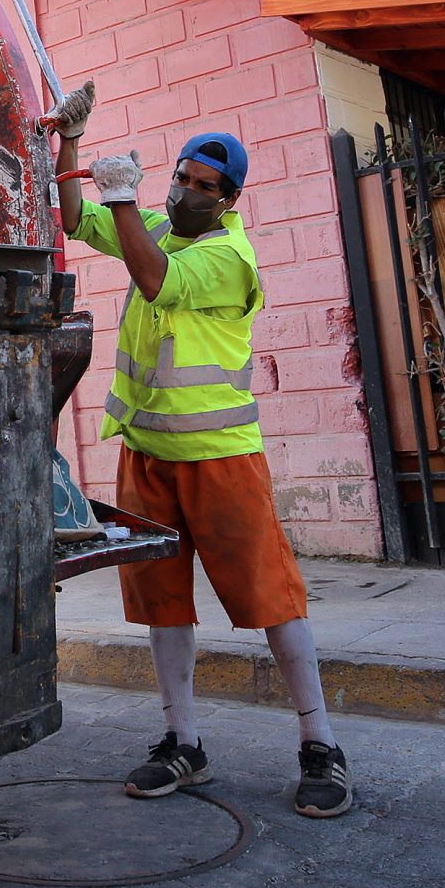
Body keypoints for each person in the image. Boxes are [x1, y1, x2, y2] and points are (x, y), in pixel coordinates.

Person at [43, 85, 352, 818]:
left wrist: (124, 198)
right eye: (179, 175)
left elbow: (154, 277)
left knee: (269, 596)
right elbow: (76, 216)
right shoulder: (155, 225)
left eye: (200, 185)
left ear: (229, 199)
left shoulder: (229, 258)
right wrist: (71, 145)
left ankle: (321, 745)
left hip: (221, 458)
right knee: (164, 603)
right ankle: (183, 740)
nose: (182, 191)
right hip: (150, 455)